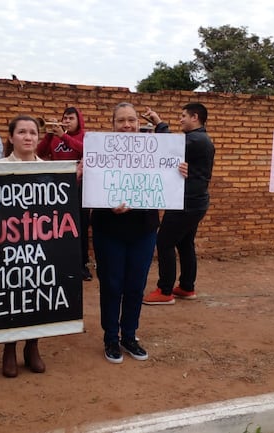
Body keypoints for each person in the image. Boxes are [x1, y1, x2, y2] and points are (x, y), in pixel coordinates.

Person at [91, 102, 171, 364]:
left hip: (143, 229)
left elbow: (169, 174)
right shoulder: (100, 152)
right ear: (112, 125)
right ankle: (111, 338)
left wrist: (180, 172)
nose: (127, 125)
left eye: (132, 120)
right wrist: (107, 205)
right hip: (109, 229)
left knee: (136, 286)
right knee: (112, 285)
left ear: (139, 123)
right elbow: (91, 190)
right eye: (121, 121)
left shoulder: (154, 151)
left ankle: (129, 335)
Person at [141, 103, 215, 305]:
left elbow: (170, 147)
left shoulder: (197, 139)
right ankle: (186, 287)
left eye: (183, 116)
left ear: (195, 117)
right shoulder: (199, 139)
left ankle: (165, 291)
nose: (180, 119)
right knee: (184, 243)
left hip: (187, 203)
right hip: (194, 201)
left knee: (164, 242)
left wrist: (159, 123)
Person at [0, 115, 47, 377]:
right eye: (22, 132)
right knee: (11, 291)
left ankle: (32, 346)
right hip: (8, 243)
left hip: (41, 242)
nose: (28, 137)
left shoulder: (51, 169)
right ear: (11, 137)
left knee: (37, 291)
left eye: (33, 133)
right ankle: (9, 348)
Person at [36, 107, 93, 282]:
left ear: (79, 121)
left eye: (70, 118)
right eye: (64, 118)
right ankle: (59, 262)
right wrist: (49, 135)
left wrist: (63, 136)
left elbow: (87, 152)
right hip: (58, 186)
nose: (66, 121)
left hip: (81, 185)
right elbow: (39, 153)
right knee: (58, 225)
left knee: (80, 226)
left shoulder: (86, 136)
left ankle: (82, 264)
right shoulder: (54, 136)